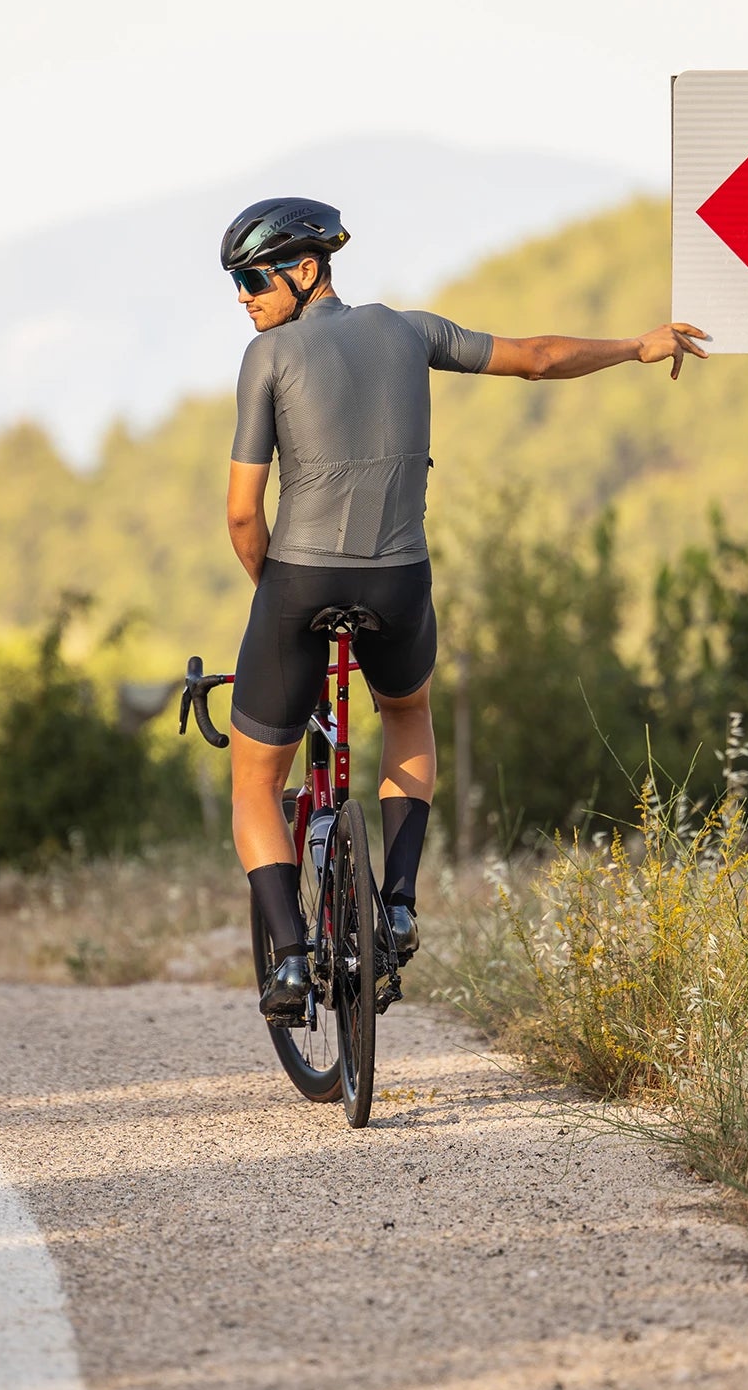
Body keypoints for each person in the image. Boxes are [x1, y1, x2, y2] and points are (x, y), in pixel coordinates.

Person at [221, 196, 707, 1020]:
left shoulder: (268, 357)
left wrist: (277, 594)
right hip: (401, 579)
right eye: (234, 282)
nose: (242, 296)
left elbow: (241, 513)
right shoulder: (413, 333)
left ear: (305, 272)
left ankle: (293, 964)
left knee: (254, 780)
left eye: (252, 278)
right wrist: (635, 345)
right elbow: (539, 356)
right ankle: (400, 901)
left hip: (299, 579)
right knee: (406, 713)